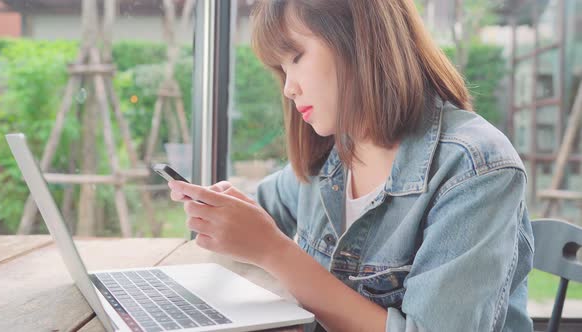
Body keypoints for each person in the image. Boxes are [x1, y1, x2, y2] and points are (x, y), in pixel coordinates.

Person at [168, 0, 534, 331]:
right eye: (281, 69)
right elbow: (266, 204)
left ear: (359, 40)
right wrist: (222, 209)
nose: (288, 88)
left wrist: (274, 251)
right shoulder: (334, 154)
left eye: (296, 57)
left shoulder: (476, 169)